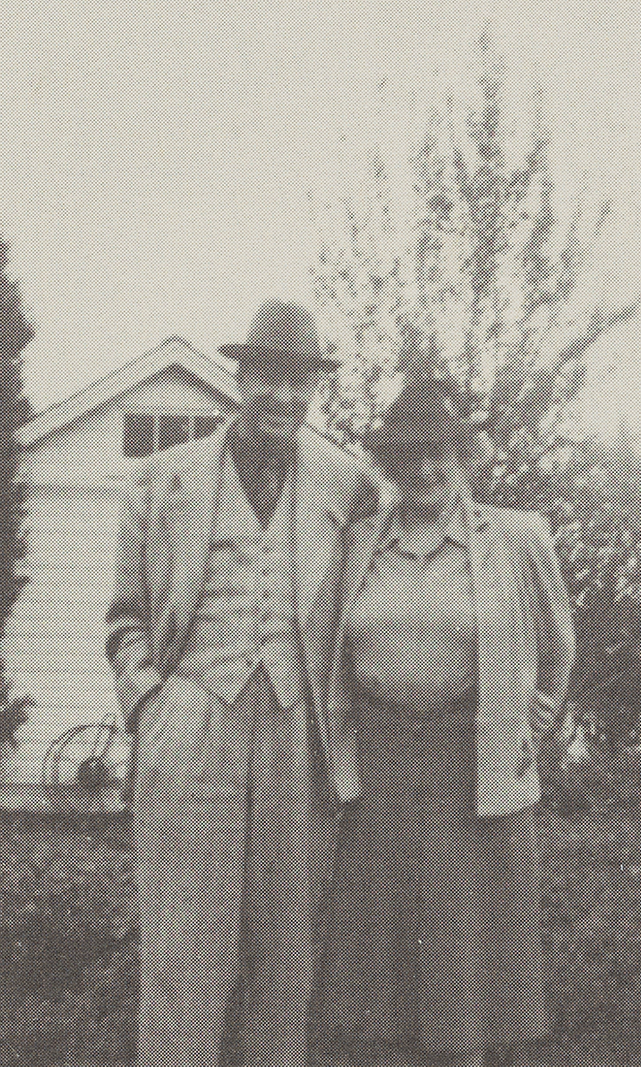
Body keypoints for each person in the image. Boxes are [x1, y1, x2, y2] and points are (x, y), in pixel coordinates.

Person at [105, 300, 370, 1067]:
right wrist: (152, 704)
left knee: (285, 961)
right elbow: (124, 620)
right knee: (183, 953)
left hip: (298, 731)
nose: (284, 397)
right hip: (191, 722)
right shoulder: (163, 480)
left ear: (314, 388)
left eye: (300, 381)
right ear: (241, 376)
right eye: (269, 378)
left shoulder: (348, 483)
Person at [316, 376, 576, 1067]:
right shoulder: (360, 543)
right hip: (381, 769)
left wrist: (534, 720)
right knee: (384, 991)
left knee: (464, 988)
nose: (426, 469)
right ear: (392, 466)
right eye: (410, 455)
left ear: (464, 456)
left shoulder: (517, 537)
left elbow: (558, 644)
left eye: (440, 452)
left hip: (476, 773)